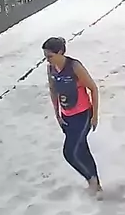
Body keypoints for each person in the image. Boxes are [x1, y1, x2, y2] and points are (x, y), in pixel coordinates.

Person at [43, 37, 102, 194]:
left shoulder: (74, 66)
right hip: (66, 116)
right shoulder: (51, 68)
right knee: (82, 149)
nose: (47, 60)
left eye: (50, 56)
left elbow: (93, 88)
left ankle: (91, 179)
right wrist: (57, 114)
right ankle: (96, 184)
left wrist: (95, 116)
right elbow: (53, 90)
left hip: (83, 115)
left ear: (60, 52)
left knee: (69, 153)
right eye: (45, 56)